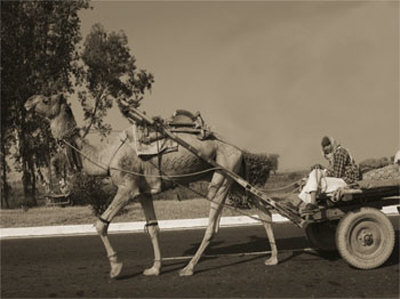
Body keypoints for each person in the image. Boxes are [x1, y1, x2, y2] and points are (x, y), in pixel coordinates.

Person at [298, 136, 361, 212]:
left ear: (332, 144)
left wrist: (324, 171)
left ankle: (308, 203)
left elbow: (337, 174)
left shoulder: (340, 153)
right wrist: (322, 170)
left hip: (347, 181)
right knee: (315, 173)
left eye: (328, 145)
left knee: (318, 181)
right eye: (324, 146)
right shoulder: (335, 154)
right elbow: (333, 172)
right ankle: (307, 203)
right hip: (340, 179)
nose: (326, 148)